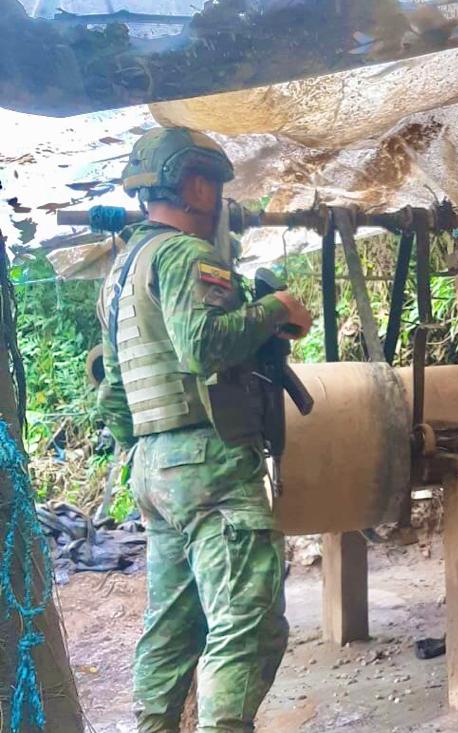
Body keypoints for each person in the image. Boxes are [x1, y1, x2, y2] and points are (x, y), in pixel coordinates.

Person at [96, 127, 313, 732]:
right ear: (193, 184)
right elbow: (203, 346)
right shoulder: (185, 255)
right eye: (214, 184)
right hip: (209, 463)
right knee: (248, 626)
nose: (218, 198)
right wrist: (278, 309)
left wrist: (150, 457)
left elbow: (113, 392)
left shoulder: (122, 273)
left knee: (171, 627)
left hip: (153, 466)